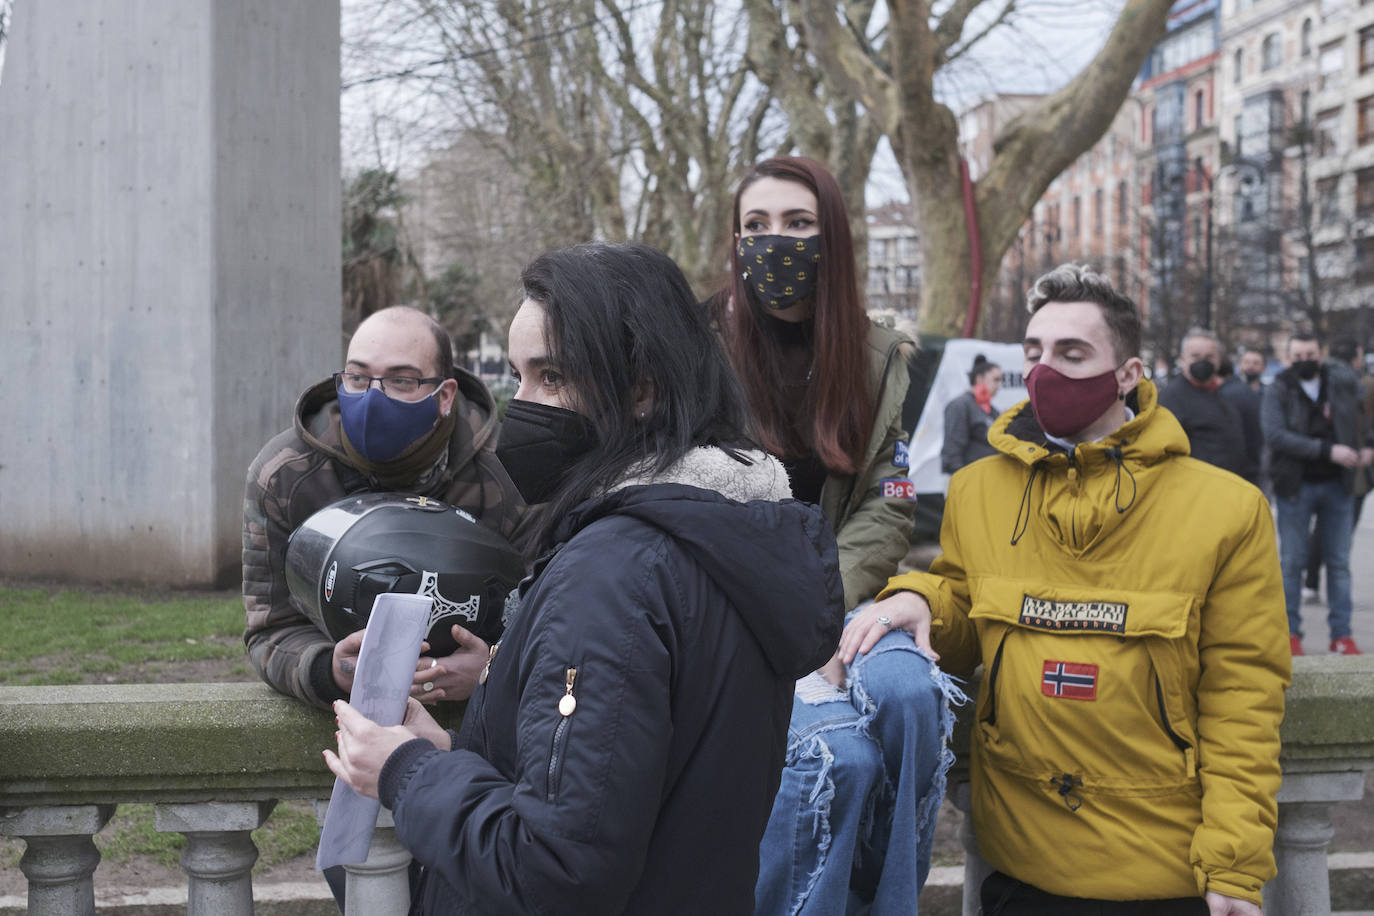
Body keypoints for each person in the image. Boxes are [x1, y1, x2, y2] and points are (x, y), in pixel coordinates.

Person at [324, 243, 844, 915]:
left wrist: (406, 772)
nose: (525, 405)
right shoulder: (723, 538)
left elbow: (558, 869)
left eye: (553, 375)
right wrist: (452, 752)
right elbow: (639, 789)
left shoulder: (615, 572)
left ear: (642, 390)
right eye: (518, 376)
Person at [860, 264, 1290, 915]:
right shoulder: (979, 490)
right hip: (1020, 867)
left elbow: (1243, 694)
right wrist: (918, 596)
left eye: (1072, 352)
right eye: (1034, 353)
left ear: (1128, 373)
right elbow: (962, 604)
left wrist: (1233, 860)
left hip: (1164, 875)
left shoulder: (1228, 509)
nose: (1045, 371)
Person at [709, 156, 957, 915]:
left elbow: (890, 500)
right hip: (732, 609)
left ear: (833, 237)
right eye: (756, 226)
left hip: (837, 596)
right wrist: (783, 621)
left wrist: (819, 609)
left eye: (796, 224)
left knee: (913, 694)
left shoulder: (883, 355)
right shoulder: (698, 344)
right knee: (838, 758)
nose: (773, 242)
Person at [243, 305, 528, 712]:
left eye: (401, 380)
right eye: (358, 377)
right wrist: (333, 670)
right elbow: (270, 631)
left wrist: (492, 670)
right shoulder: (283, 475)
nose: (373, 399)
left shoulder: (511, 474)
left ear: (445, 395)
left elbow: (552, 621)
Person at [1266, 333, 1374, 655]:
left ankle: (1342, 635)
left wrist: (1368, 445)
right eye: (1297, 355)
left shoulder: (1342, 381)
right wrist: (1328, 451)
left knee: (1339, 563)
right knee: (1293, 562)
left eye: (1310, 354)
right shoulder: (1279, 388)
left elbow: (1363, 417)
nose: (1304, 360)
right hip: (1295, 487)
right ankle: (1290, 633)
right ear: (1288, 357)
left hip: (1338, 486)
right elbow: (1275, 434)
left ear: (1322, 353)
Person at [1158, 328, 1251, 483]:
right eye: (1195, 356)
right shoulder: (1171, 398)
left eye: (1209, 356)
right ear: (1182, 359)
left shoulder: (1218, 393)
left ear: (1218, 360)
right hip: (1195, 492)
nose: (1202, 361)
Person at [942, 354, 1003, 473]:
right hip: (967, 479)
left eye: (1001, 380)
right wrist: (962, 481)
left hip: (987, 477)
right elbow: (952, 451)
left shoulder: (991, 410)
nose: (999, 385)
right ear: (979, 379)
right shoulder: (960, 405)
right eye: (996, 380)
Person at [1218, 352, 1264, 490]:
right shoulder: (1228, 392)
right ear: (1239, 366)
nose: (1251, 366)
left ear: (1263, 367)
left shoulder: (1268, 393)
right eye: (1247, 362)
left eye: (1256, 363)